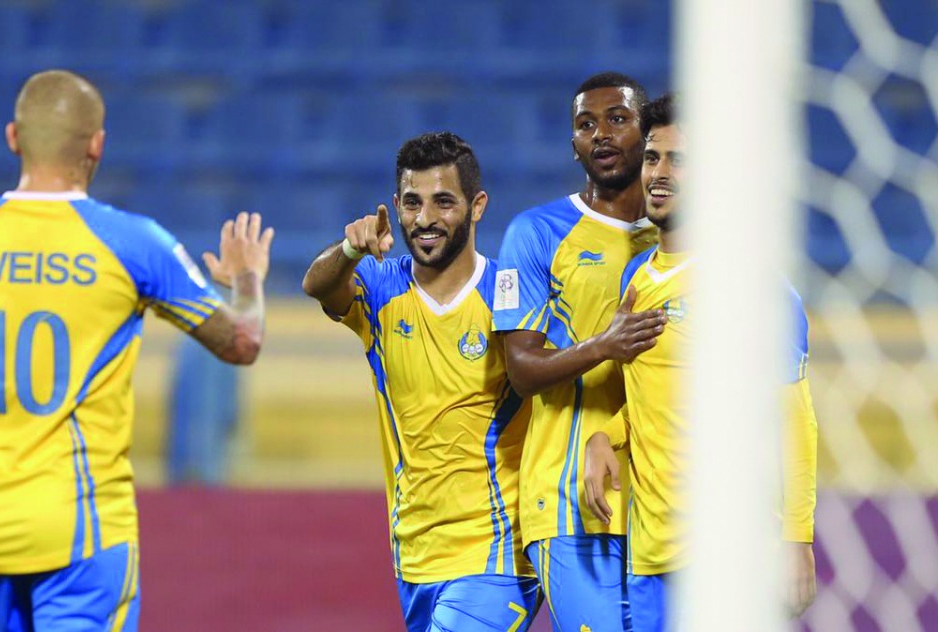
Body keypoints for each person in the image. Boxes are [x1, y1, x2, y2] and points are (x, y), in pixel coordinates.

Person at [0, 69, 273, 630]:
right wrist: (248, 280)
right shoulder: (134, 243)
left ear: (13, 137)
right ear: (97, 145)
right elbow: (243, 342)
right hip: (84, 534)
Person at [584, 93, 819, 630]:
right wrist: (607, 436)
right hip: (650, 558)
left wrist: (796, 540)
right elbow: (655, 395)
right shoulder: (636, 280)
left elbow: (795, 419)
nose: (659, 173)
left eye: (680, 161)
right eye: (652, 158)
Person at [303, 132, 539, 631]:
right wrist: (350, 247)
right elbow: (318, 285)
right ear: (395, 206)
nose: (425, 219)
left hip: (495, 553)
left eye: (443, 202)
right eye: (412, 202)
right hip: (414, 553)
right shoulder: (380, 287)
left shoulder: (510, 295)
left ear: (477, 207)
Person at [492, 71, 664, 631]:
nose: (602, 134)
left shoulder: (677, 242)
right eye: (586, 124)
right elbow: (522, 370)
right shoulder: (534, 233)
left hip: (663, 499)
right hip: (569, 503)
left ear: (648, 133)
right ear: (573, 146)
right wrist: (605, 346)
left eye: (618, 118)